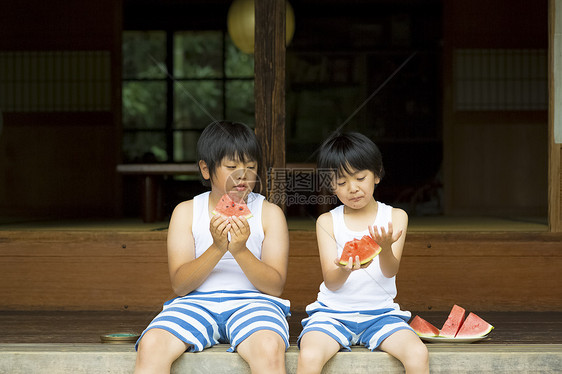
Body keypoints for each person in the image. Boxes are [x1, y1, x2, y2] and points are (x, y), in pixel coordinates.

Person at [134, 121, 291, 374]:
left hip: (255, 303)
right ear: (206, 169)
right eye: (232, 167)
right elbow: (181, 285)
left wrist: (240, 251)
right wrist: (218, 248)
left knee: (269, 346)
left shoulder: (270, 214)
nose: (243, 175)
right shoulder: (186, 212)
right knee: (152, 344)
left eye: (251, 167)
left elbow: (275, 286)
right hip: (195, 302)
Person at [296, 132, 429, 374]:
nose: (353, 189)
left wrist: (385, 248)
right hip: (331, 314)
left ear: (377, 175)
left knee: (418, 353)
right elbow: (331, 282)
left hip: (381, 314)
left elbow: (390, 271)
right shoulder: (327, 222)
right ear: (330, 184)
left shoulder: (396, 217)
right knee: (310, 355)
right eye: (342, 182)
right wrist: (344, 269)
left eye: (360, 177)